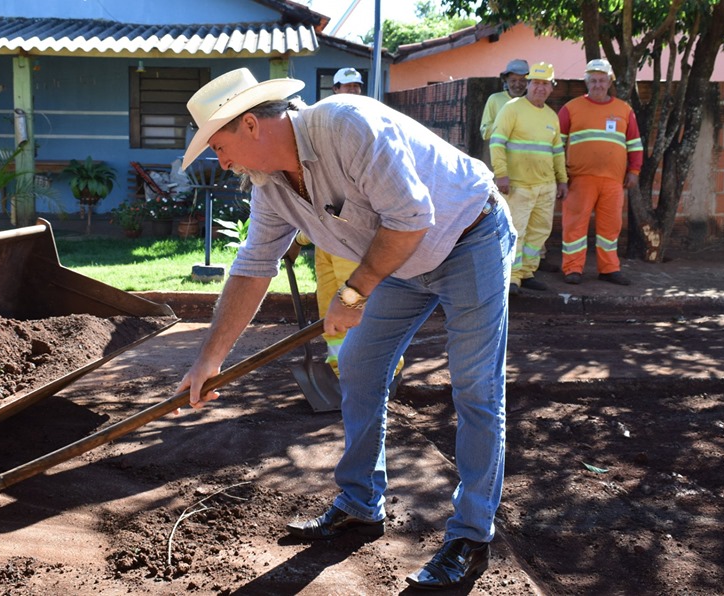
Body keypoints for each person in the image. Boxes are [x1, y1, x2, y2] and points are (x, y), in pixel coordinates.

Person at [177, 68, 515, 590]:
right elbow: (252, 267)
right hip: (401, 261)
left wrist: (353, 294)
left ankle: (470, 535)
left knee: (474, 386)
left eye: (219, 147)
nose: (223, 163)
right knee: (357, 364)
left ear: (249, 126)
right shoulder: (271, 188)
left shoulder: (346, 124)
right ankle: (360, 501)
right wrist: (209, 358)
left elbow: (412, 218)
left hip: (469, 237)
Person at [295, 67, 402, 380]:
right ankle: (341, 369)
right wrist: (301, 237)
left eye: (357, 86)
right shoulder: (320, 129)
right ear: (335, 89)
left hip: (352, 240)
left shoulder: (363, 127)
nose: (353, 91)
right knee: (329, 305)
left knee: (356, 305)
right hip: (327, 241)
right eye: (347, 86)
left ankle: (384, 373)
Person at [558, 58, 643, 286]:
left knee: (610, 227)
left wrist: (634, 171)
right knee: (575, 225)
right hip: (579, 179)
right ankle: (572, 268)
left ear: (609, 82)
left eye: (602, 80)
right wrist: (560, 177)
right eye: (593, 80)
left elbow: (634, 143)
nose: (597, 84)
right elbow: (556, 145)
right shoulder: (571, 108)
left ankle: (609, 269)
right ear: (586, 82)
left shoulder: (624, 110)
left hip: (614, 181)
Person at [489, 62, 568, 295]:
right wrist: (501, 174)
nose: (540, 88)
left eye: (545, 84)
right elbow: (497, 142)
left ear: (551, 88)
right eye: (535, 83)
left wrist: (562, 180)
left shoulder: (551, 116)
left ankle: (527, 272)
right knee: (517, 231)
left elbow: (557, 151)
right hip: (518, 185)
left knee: (539, 232)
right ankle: (511, 277)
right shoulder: (512, 108)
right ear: (528, 84)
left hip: (545, 186)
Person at [480, 59, 529, 141]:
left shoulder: (531, 102)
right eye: (513, 80)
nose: (517, 85)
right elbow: (485, 133)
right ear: (506, 80)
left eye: (522, 80)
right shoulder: (495, 99)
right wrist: (505, 125)